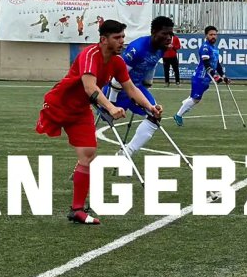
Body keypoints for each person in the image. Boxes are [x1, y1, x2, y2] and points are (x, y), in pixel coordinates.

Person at [35, 19, 160, 225]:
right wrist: (110, 107)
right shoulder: (90, 55)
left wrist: (150, 107)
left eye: (123, 37)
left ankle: (77, 210)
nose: (122, 41)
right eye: (117, 38)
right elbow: (90, 87)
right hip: (60, 104)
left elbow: (131, 88)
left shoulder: (117, 62)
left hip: (81, 110)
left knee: (88, 153)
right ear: (103, 39)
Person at [105, 16, 175, 157]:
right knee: (109, 116)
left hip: (137, 88)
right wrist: (111, 103)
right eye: (165, 34)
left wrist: (147, 84)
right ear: (154, 32)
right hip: (118, 89)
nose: (169, 38)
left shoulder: (162, 48)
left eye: (171, 34)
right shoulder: (138, 49)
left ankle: (126, 153)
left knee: (155, 115)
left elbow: (152, 65)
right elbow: (118, 76)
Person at [174, 25, 225, 125]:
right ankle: (178, 115)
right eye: (211, 34)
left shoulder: (215, 48)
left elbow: (217, 63)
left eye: (215, 34)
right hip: (200, 77)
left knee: (195, 98)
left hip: (206, 78)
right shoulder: (205, 47)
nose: (213, 36)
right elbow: (206, 63)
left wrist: (223, 76)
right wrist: (214, 75)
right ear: (206, 35)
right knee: (196, 99)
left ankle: (186, 104)